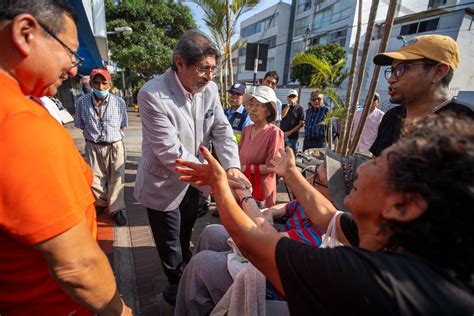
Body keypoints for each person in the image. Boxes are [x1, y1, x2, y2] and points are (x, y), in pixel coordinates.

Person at [176, 113, 474, 315]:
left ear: (402, 205)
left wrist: (226, 186)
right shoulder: (399, 238)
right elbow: (325, 214)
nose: (363, 167)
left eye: (379, 163)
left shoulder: (368, 281)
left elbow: (252, 239)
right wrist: (291, 173)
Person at [0, 1, 131, 315]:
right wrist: (122, 312)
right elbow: (76, 267)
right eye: (70, 52)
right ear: (25, 33)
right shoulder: (19, 124)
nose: (74, 69)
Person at [134, 29, 249, 306]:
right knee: (169, 242)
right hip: (163, 182)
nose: (210, 77)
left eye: (213, 69)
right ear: (179, 63)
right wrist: (217, 180)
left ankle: (186, 269)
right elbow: (169, 151)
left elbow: (221, 129)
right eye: (203, 69)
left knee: (186, 231)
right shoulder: (152, 94)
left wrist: (232, 167)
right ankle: (176, 283)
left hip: (194, 184)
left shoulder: (208, 90)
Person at [174, 152, 368, 315]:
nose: (306, 181)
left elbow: (262, 240)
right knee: (211, 232)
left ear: (337, 201)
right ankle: (198, 295)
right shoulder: (321, 210)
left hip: (274, 282)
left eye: (316, 179)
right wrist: (274, 210)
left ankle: (195, 294)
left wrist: (233, 191)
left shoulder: (323, 238)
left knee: (202, 264)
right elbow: (290, 207)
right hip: (274, 245)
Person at [370, 34, 473, 156]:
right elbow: (376, 164)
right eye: (392, 70)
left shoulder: (467, 123)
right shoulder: (392, 117)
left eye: (402, 69)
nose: (391, 79)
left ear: (438, 72)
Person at [74, 68, 128, 226]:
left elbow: (122, 125)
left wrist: (111, 138)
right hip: (93, 146)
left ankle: (117, 209)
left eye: (104, 83)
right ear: (91, 84)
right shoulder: (82, 102)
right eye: (96, 83)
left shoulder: (119, 102)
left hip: (115, 145)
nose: (100, 87)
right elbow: (81, 125)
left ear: (110, 84)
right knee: (94, 180)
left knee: (117, 178)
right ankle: (102, 204)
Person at [239, 86, 285, 208]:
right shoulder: (247, 130)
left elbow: (272, 166)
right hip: (243, 186)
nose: (253, 109)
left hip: (261, 190)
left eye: (258, 105)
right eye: (251, 104)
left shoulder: (275, 132)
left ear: (269, 111)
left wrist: (244, 168)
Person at [280, 89, 304, 153]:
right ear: (287, 98)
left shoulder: (300, 108)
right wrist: (288, 105)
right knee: (281, 154)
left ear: (297, 98)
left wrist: (290, 132)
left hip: (293, 137)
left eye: (294, 96)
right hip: (282, 135)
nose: (292, 98)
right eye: (290, 96)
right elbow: (282, 116)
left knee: (292, 154)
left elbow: (301, 123)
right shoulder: (283, 106)